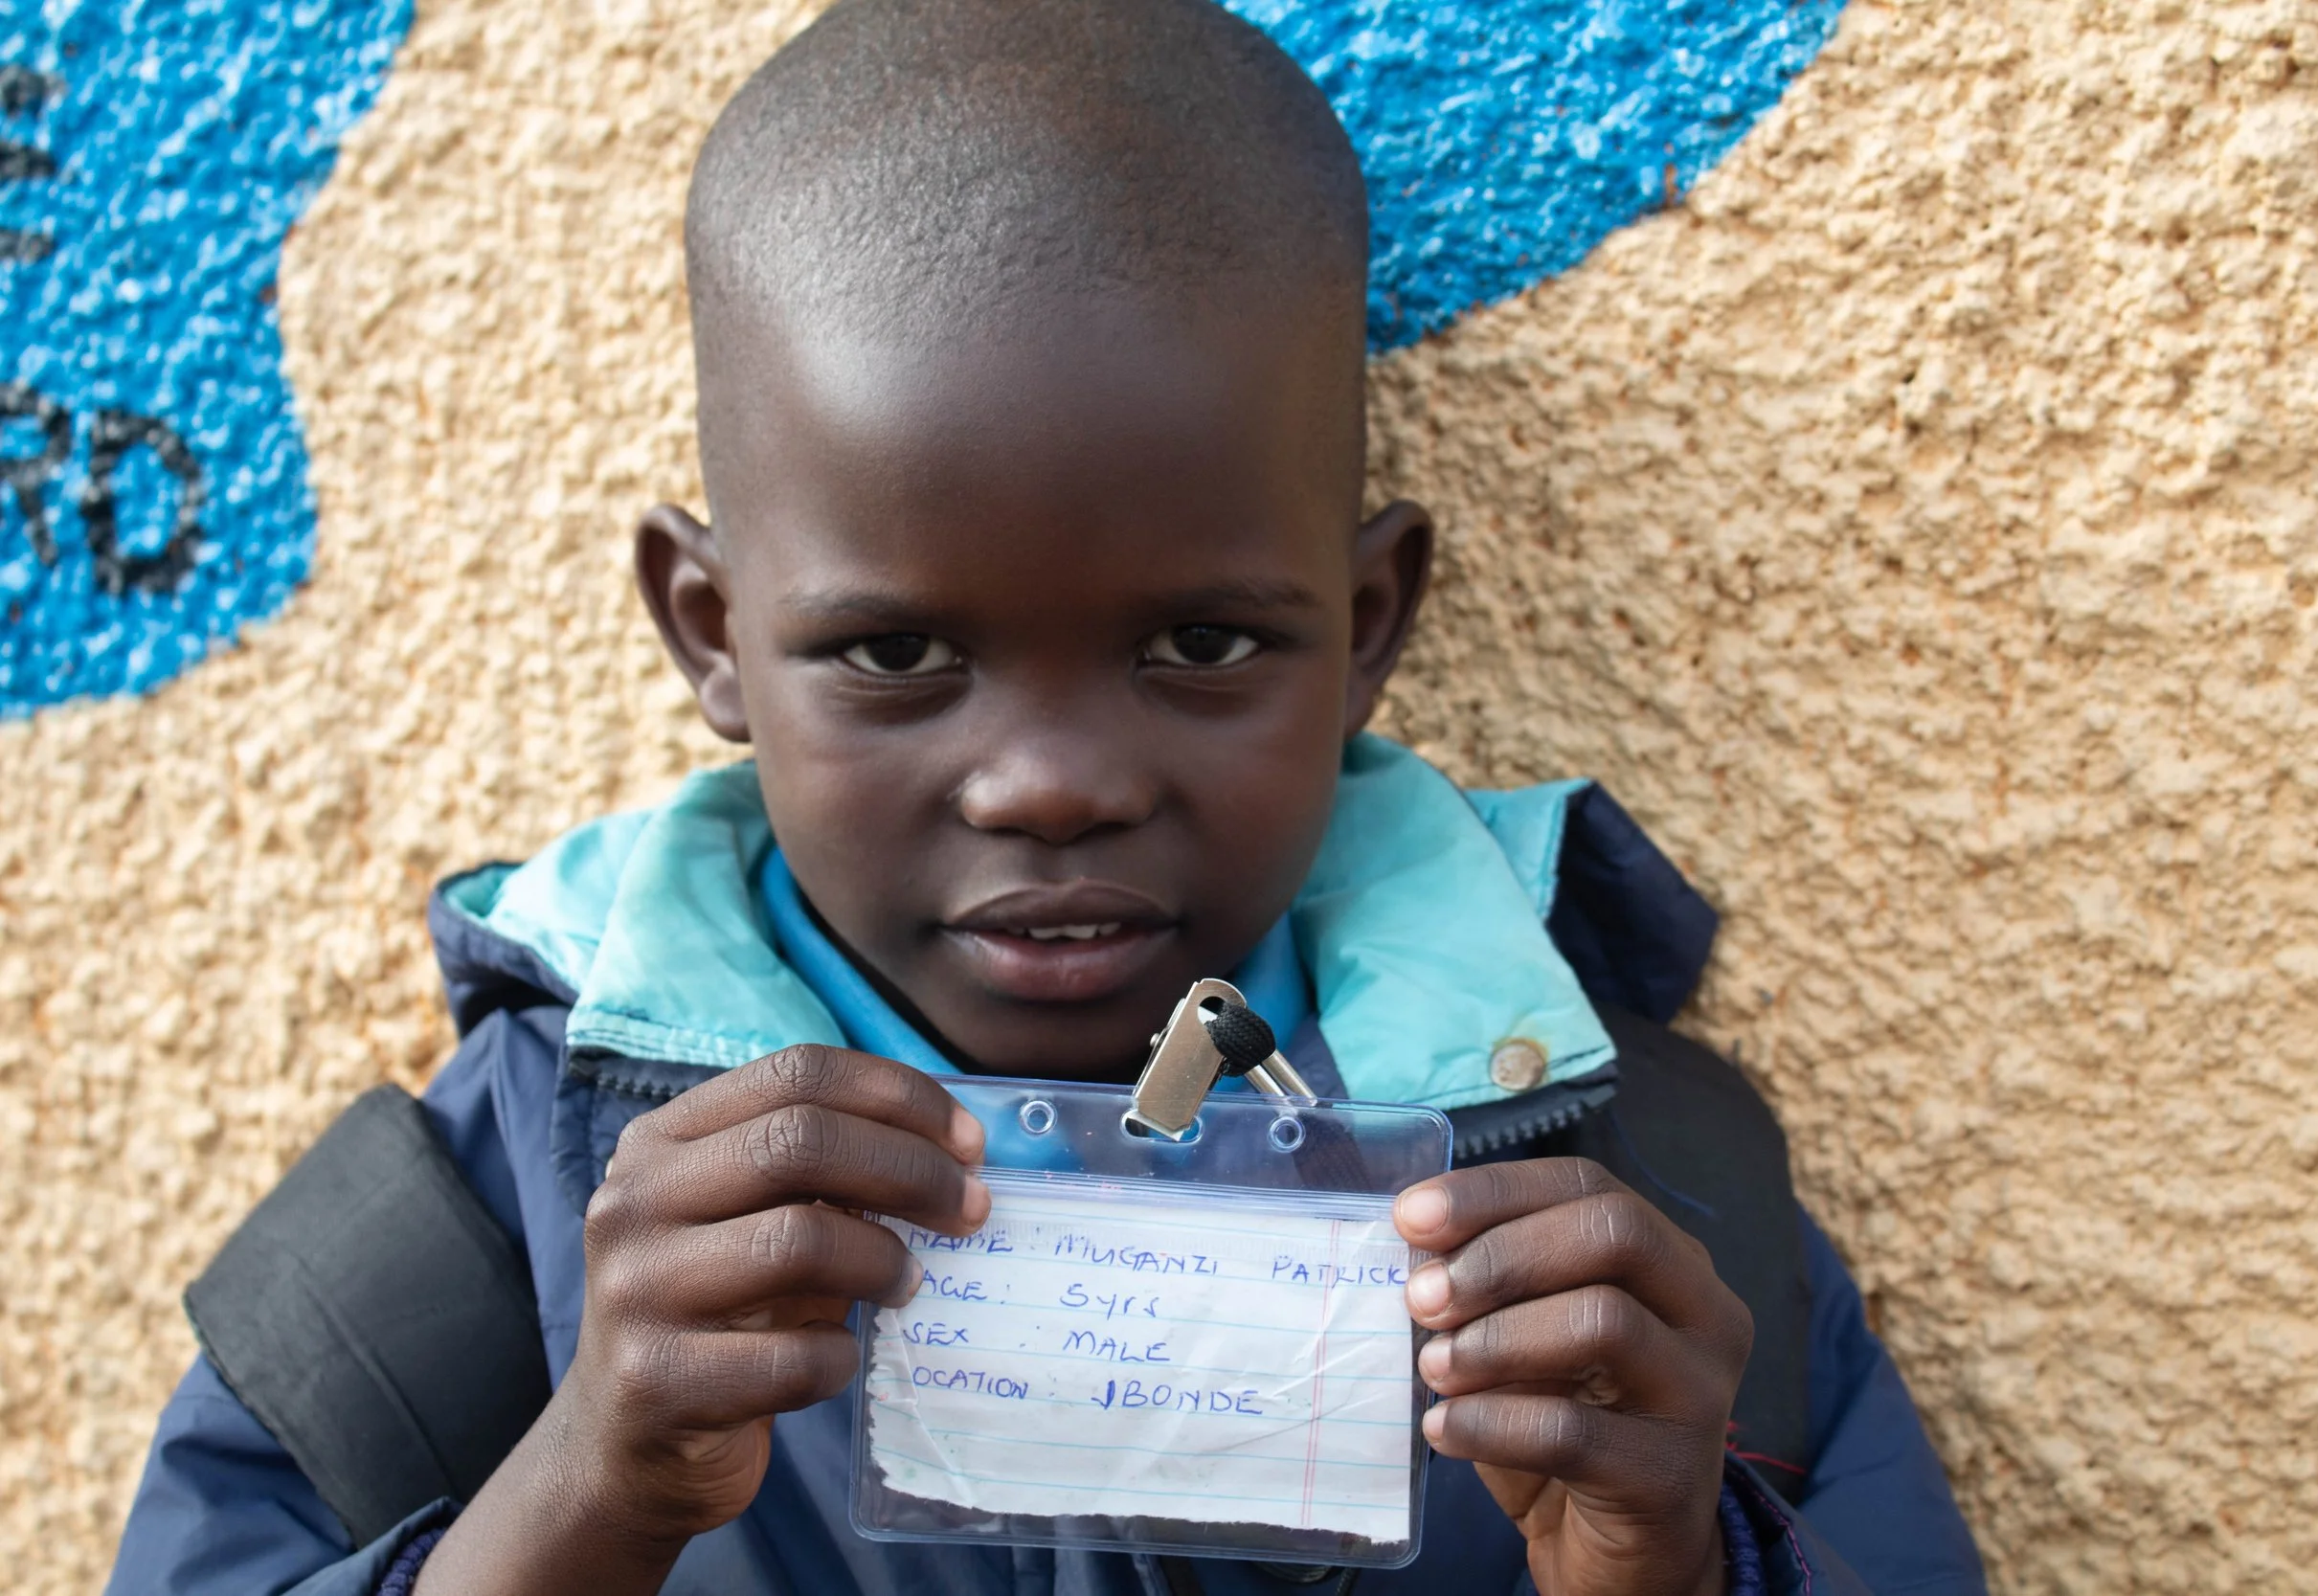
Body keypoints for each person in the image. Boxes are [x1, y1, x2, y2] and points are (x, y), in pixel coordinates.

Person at [105, 2, 1988, 1593]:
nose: (1052, 785)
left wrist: (1670, 1563)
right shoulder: (476, 1224)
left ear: (1364, 625)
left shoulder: (1641, 1203)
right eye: (896, 653)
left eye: (1200, 642)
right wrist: (584, 1486)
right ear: (710, 629)